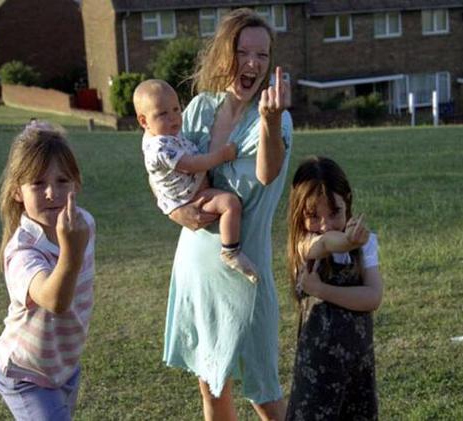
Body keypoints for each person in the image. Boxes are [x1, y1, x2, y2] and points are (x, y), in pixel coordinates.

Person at [161, 8, 292, 421]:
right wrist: (172, 210)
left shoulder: (275, 119)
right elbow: (162, 162)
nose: (253, 63)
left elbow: (267, 174)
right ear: (225, 54)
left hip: (244, 272)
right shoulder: (199, 109)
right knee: (211, 386)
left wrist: (270, 123)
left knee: (265, 394)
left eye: (263, 56)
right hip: (196, 266)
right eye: (244, 52)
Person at [0, 121, 95, 420]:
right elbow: (55, 301)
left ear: (76, 184)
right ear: (17, 192)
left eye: (62, 180)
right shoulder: (22, 250)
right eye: (38, 183)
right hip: (26, 373)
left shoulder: (84, 223)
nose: (52, 193)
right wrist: (71, 254)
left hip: (64, 366)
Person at [285, 156, 383, 420]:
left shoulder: (366, 244)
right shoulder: (305, 244)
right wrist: (348, 241)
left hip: (357, 367)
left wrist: (322, 290)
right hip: (316, 370)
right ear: (299, 214)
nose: (325, 223)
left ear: (347, 202)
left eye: (334, 212)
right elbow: (327, 242)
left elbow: (372, 297)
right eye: (313, 216)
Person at [134, 79, 259, 283]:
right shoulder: (159, 148)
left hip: (192, 190)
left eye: (176, 109)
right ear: (143, 121)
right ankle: (230, 251)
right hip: (191, 199)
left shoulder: (165, 133)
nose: (174, 118)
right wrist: (223, 155)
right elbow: (192, 164)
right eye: (163, 114)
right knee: (230, 204)